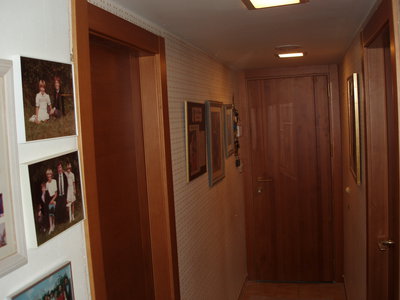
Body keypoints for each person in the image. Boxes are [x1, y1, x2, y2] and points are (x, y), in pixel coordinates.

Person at [45, 168, 57, 235]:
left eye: (50, 174)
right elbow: (47, 193)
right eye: (47, 174)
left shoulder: (54, 181)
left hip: (54, 198)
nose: (49, 175)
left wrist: (52, 200)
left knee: (52, 213)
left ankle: (53, 224)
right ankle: (51, 227)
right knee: (50, 213)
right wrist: (49, 201)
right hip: (49, 199)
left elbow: (56, 194)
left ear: (51, 174)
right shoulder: (47, 183)